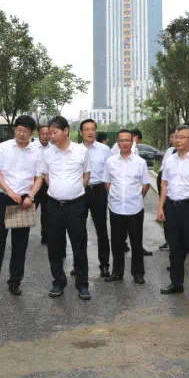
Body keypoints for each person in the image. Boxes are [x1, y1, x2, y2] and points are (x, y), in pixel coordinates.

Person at [0, 116, 44, 296]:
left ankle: (14, 283)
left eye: (25, 131)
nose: (21, 134)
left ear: (31, 133)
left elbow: (39, 177)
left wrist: (31, 196)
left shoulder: (37, 152)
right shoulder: (4, 147)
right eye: (19, 130)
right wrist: (8, 191)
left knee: (19, 244)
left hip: (24, 202)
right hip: (4, 198)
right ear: (15, 130)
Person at [41, 115, 92, 300]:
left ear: (66, 131)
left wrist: (74, 190)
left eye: (54, 132)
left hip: (76, 206)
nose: (51, 136)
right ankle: (58, 281)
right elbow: (45, 176)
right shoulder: (47, 153)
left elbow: (86, 175)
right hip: (53, 205)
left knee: (79, 245)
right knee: (54, 246)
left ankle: (82, 284)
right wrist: (59, 189)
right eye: (49, 133)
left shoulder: (81, 151)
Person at [157, 125, 189, 299]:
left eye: (182, 137)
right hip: (172, 207)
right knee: (175, 248)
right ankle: (176, 283)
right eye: (176, 136)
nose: (177, 140)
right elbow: (164, 184)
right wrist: (161, 207)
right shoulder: (170, 160)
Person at [104, 129, 152, 284]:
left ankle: (138, 273)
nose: (124, 143)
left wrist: (137, 197)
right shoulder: (110, 161)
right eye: (121, 140)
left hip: (135, 208)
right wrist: (114, 195)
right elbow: (107, 182)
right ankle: (117, 272)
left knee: (136, 242)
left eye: (127, 140)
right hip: (116, 208)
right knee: (117, 243)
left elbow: (146, 184)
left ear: (132, 142)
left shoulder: (140, 162)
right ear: (117, 143)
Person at [81, 119, 113, 278]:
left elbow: (111, 171)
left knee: (101, 230)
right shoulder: (75, 150)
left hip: (99, 191)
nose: (90, 132)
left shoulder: (105, 150)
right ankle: (79, 265)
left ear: (96, 131)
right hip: (80, 191)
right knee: (78, 230)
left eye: (92, 129)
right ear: (81, 132)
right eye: (86, 129)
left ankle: (104, 265)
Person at [31, 123, 53, 247]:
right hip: (33, 183)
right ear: (38, 134)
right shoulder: (31, 147)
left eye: (48, 134)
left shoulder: (54, 148)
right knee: (29, 210)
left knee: (47, 212)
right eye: (43, 133)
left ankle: (46, 236)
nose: (45, 136)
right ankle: (22, 234)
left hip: (48, 184)